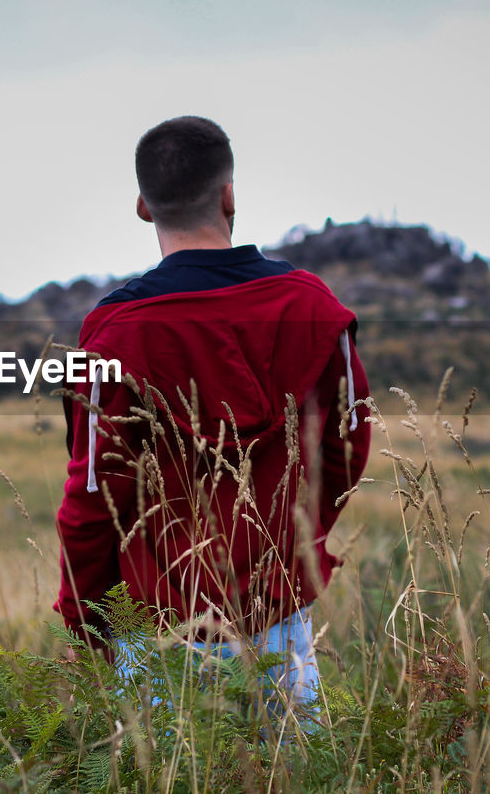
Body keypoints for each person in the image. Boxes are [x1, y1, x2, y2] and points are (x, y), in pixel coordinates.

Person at [53, 116, 372, 711]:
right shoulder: (313, 308)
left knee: (172, 775)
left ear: (144, 207)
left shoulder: (111, 335)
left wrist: (84, 618)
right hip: (280, 619)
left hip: (157, 631)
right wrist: (292, 546)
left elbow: (93, 494)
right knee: (293, 775)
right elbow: (349, 444)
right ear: (229, 195)